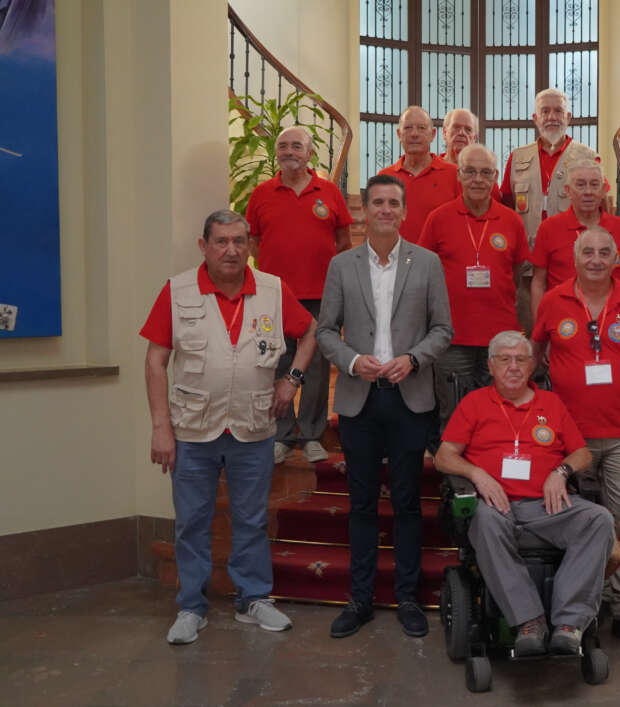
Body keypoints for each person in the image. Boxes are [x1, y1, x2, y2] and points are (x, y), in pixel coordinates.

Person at [141, 210, 317, 644]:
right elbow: (155, 360)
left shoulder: (273, 290)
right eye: (221, 241)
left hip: (252, 427)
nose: (232, 250)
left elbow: (310, 332)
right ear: (204, 246)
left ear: (250, 246)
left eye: (240, 241)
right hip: (192, 431)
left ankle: (254, 599)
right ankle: (191, 607)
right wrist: (160, 427)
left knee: (251, 519)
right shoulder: (177, 290)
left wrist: (291, 380)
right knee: (191, 521)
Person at [315, 174, 454, 639]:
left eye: (394, 203)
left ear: (405, 211)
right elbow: (324, 331)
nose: (386, 210)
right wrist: (353, 362)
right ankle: (360, 599)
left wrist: (413, 359)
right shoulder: (341, 265)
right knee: (361, 504)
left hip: (410, 399)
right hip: (359, 400)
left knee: (409, 503)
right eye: (377, 202)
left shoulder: (428, 262)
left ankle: (408, 597)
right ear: (363, 210)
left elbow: (442, 330)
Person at [434, 331, 614, 657]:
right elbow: (444, 456)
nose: (513, 367)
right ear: (491, 366)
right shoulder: (474, 403)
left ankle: (569, 625)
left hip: (547, 506)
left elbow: (582, 454)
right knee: (484, 520)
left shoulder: (552, 404)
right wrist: (477, 474)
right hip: (496, 507)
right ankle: (529, 622)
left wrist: (560, 473)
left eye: (520, 359)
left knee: (598, 519)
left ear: (532, 365)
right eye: (505, 359)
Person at [531, 227, 620, 651]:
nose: (595, 259)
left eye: (603, 252)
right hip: (570, 439)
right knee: (575, 523)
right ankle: (576, 608)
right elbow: (532, 358)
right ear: (575, 258)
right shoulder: (553, 301)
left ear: (616, 259)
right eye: (587, 251)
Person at [246, 125, 354, 465]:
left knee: (318, 369)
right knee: (276, 361)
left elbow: (343, 242)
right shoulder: (261, 193)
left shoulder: (330, 193)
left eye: (297, 146)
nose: (289, 151)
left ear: (310, 154)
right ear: (276, 153)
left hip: (321, 295)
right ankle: (282, 433)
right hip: (273, 296)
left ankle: (310, 434)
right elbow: (254, 243)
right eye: (283, 146)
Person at [419, 144, 529, 429]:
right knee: (454, 414)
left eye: (485, 173)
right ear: (459, 176)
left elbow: (516, 273)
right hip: (452, 335)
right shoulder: (438, 219)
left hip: (500, 336)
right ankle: (454, 474)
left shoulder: (512, 220)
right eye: (470, 172)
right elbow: (424, 275)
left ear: (495, 178)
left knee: (500, 415)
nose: (478, 179)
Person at [500, 88, 602, 331]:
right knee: (530, 330)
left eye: (558, 111)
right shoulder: (517, 158)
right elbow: (505, 209)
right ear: (535, 118)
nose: (552, 117)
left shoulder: (588, 157)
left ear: (568, 117)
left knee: (571, 330)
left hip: (569, 268)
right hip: (526, 266)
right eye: (545, 111)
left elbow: (601, 208)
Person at [529, 160, 620, 322]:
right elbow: (538, 283)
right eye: (580, 185)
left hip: (613, 323)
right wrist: (540, 328)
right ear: (568, 191)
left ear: (603, 190)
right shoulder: (549, 228)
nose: (588, 192)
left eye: (594, 185)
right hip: (563, 323)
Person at [378, 105, 460, 243]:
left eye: (421, 128)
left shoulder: (454, 175)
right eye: (408, 128)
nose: (414, 134)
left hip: (439, 262)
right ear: (399, 134)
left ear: (433, 134)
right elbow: (375, 227)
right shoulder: (384, 177)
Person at [441, 107, 503, 201]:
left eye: (468, 129)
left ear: (474, 138)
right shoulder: (431, 169)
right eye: (456, 127)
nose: (461, 133)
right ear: (445, 133)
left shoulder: (486, 174)